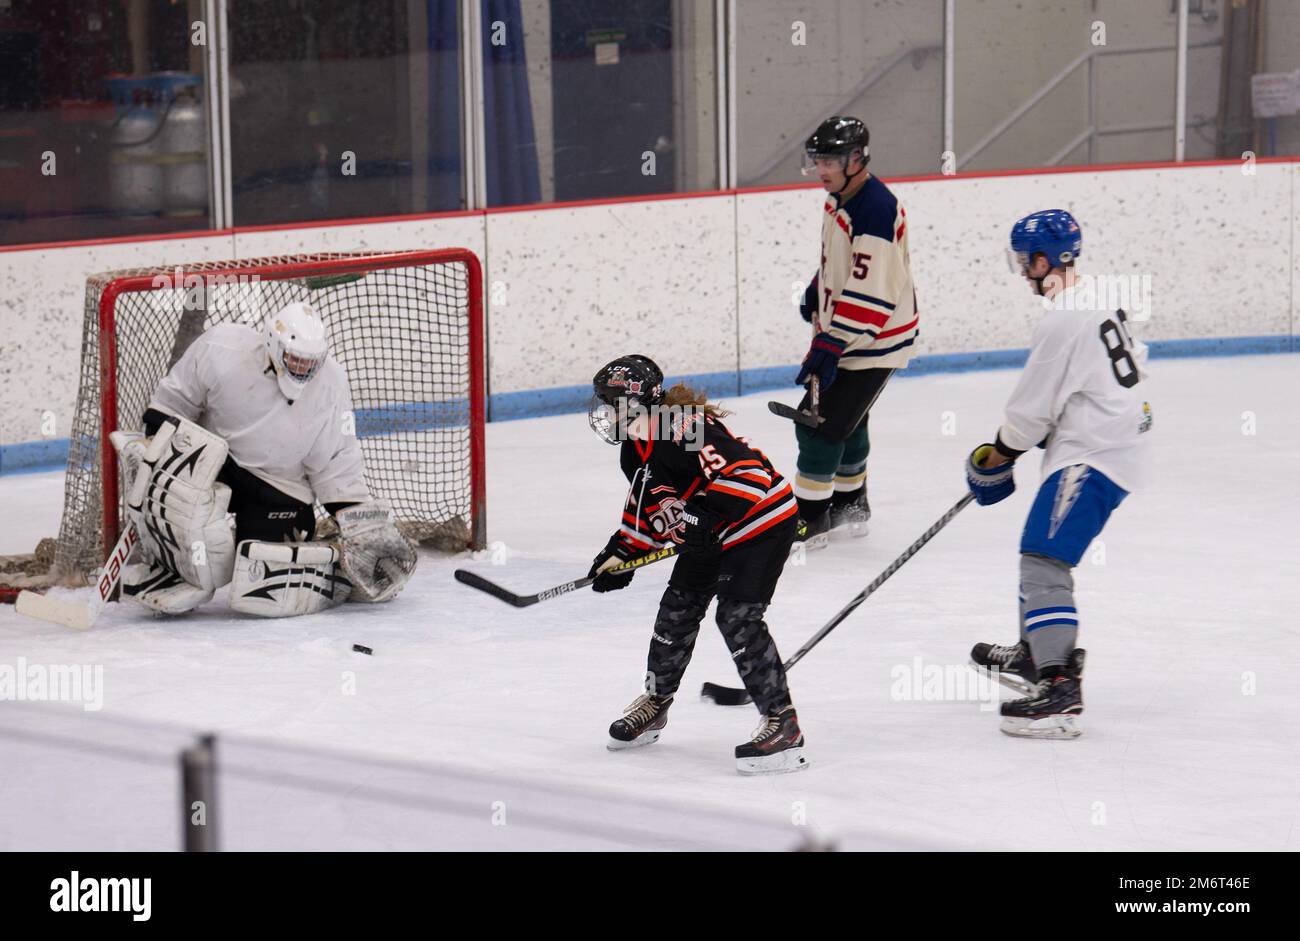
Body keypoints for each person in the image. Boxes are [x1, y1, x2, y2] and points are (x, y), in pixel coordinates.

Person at [966, 209, 1153, 739]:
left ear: (1045, 260)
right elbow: (1121, 368)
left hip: (1096, 452)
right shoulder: (1095, 295)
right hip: (1112, 438)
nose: (1023, 270)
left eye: (1026, 260)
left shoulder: (1059, 318)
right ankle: (1033, 653)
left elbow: (1030, 412)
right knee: (1039, 548)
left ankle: (1057, 685)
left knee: (1044, 559)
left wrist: (997, 455)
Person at [113, 301, 416, 617]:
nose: (303, 369)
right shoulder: (222, 347)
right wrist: (157, 451)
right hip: (216, 463)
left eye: (310, 363)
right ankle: (172, 567)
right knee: (192, 522)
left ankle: (335, 569)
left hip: (279, 485)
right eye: (295, 360)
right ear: (273, 343)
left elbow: (336, 457)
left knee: (262, 573)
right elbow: (174, 402)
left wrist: (354, 518)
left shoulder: (331, 383)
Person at [586, 354, 808, 774]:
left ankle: (784, 727)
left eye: (612, 402)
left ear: (636, 404)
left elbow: (749, 475)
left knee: (737, 617)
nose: (605, 412)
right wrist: (622, 553)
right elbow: (655, 508)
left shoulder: (682, 426)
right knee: (676, 611)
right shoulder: (635, 451)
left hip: (761, 525)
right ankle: (655, 703)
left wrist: (706, 516)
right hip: (709, 530)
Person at [792, 115, 920, 547]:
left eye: (830, 160)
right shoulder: (840, 198)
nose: (822, 169)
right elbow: (843, 263)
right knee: (850, 419)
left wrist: (832, 341)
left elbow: (875, 288)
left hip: (874, 341)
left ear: (856, 158)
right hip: (855, 337)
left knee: (818, 425)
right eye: (818, 160)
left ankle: (810, 520)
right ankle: (850, 508)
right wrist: (818, 287)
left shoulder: (876, 208)